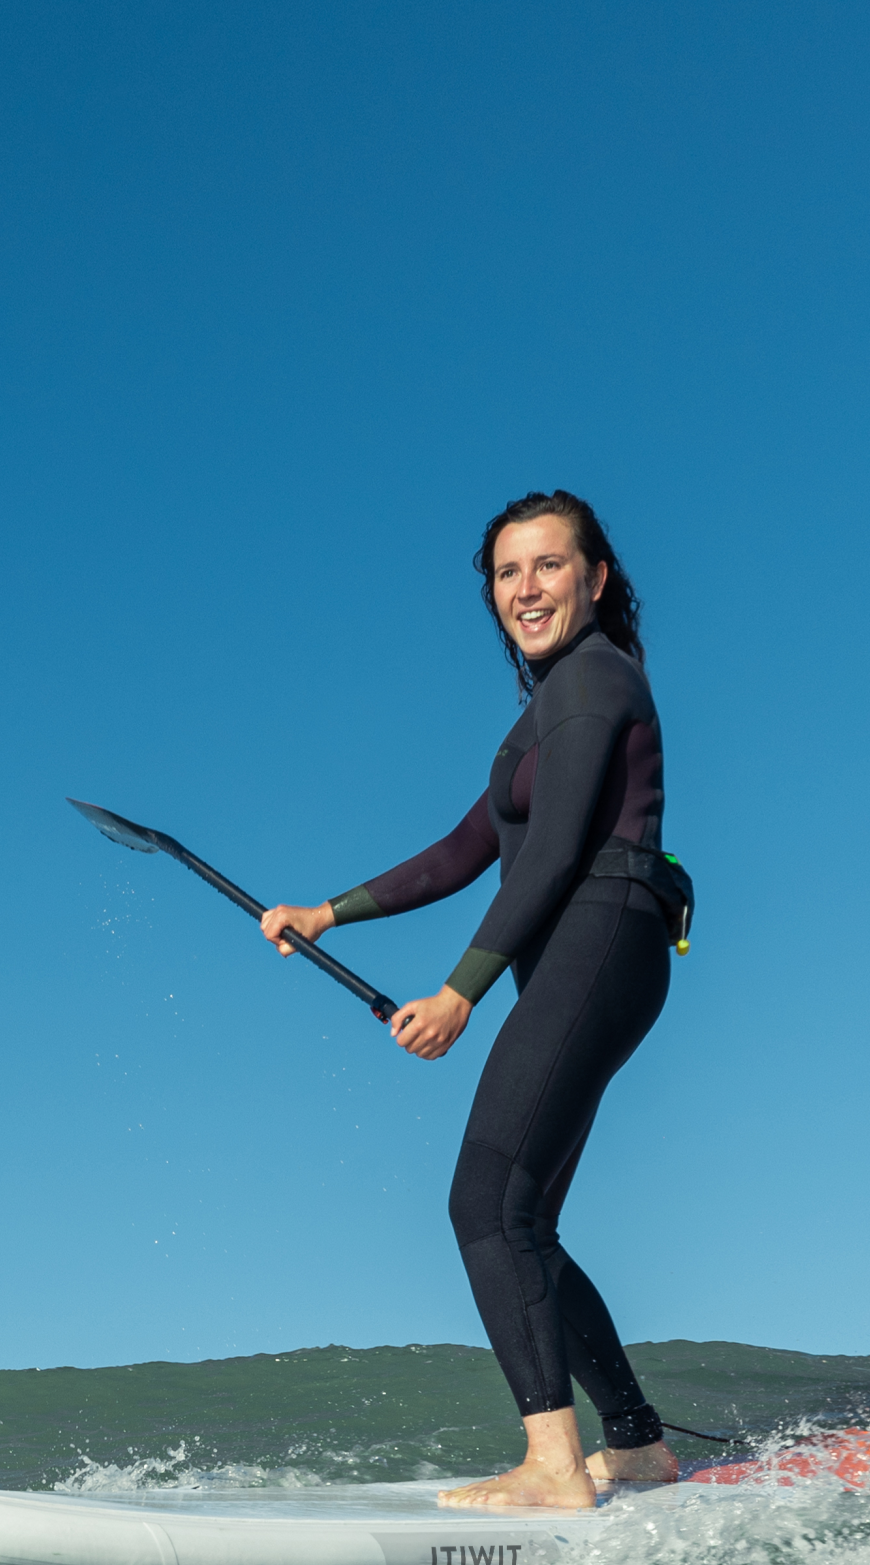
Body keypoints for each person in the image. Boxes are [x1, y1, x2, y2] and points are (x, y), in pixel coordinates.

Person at [260, 490, 684, 1510]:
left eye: (548, 565)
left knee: (483, 1202)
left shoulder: (594, 681)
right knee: (522, 1213)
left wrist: (459, 993)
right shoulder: (547, 711)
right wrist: (328, 911)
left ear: (597, 576)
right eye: (506, 572)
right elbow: (469, 850)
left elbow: (548, 860)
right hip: (598, 944)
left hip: (603, 926)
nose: (525, 589)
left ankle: (552, 1465)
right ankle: (633, 1443)